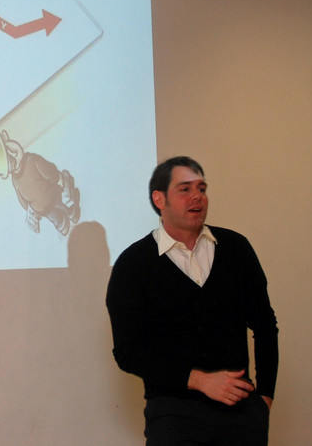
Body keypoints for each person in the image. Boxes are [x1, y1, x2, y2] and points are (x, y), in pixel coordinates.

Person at [105, 156, 278, 445]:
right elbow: (128, 352)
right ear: (159, 199)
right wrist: (198, 380)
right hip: (173, 415)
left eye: (202, 188)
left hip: (241, 412)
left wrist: (264, 399)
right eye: (185, 189)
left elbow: (265, 325)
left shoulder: (236, 248)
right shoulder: (133, 264)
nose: (197, 196)